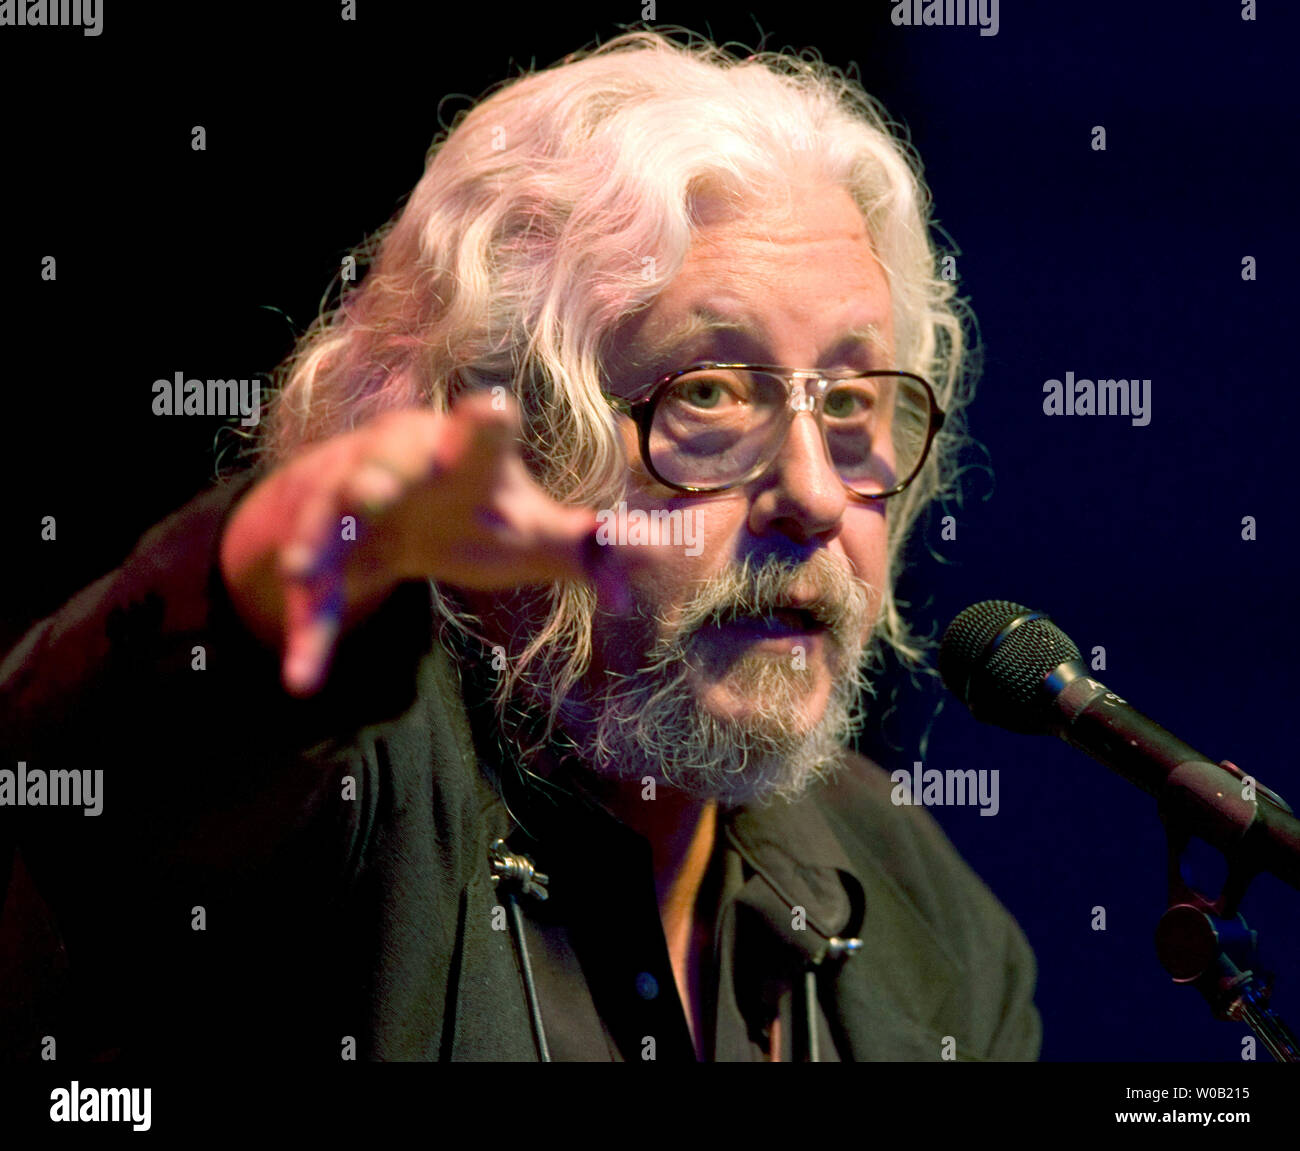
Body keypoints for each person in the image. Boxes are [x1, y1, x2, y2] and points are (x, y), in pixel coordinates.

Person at [0, 29, 1039, 1062]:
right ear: (501, 430)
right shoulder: (338, 795)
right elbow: (111, 755)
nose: (812, 492)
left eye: (852, 400)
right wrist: (288, 549)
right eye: (711, 393)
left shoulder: (928, 918)